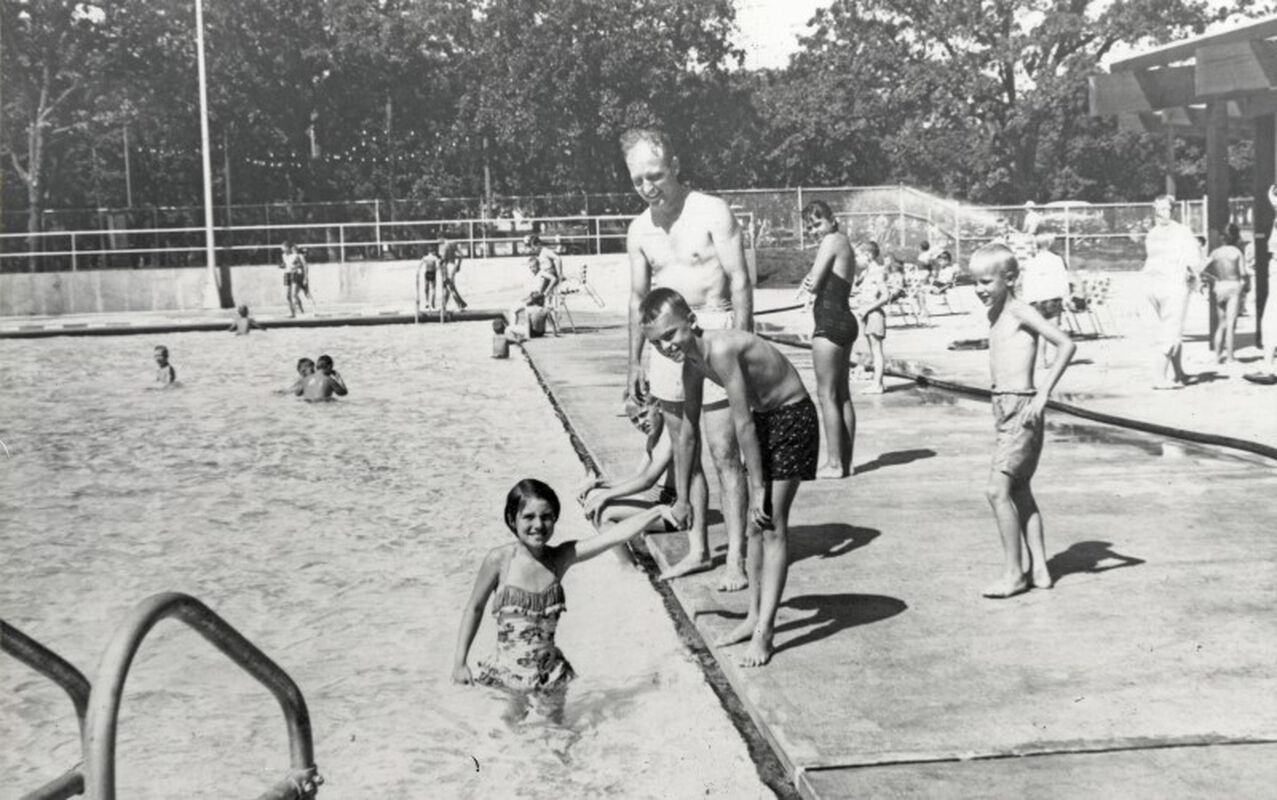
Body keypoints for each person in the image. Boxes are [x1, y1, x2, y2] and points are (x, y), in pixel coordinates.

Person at [641, 288, 818, 667]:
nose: (666, 346)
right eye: (656, 342)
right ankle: (754, 616)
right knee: (755, 529)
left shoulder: (720, 350)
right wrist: (683, 497)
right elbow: (688, 432)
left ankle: (765, 632)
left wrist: (756, 489)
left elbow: (741, 423)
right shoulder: (690, 365)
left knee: (770, 524)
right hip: (766, 420)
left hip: (792, 418)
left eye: (671, 335)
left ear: (691, 321)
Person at [622, 127, 752, 590]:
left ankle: (736, 556)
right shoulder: (640, 228)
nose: (648, 186)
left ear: (674, 164)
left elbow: (739, 280)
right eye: (638, 179)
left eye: (655, 174)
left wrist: (743, 344)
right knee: (684, 452)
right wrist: (634, 362)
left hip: (713, 331)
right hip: (664, 343)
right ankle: (698, 548)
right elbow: (638, 299)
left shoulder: (711, 210)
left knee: (724, 454)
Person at [452, 478, 675, 723]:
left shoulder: (559, 558)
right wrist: (460, 662)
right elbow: (474, 607)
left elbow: (610, 538)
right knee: (510, 730)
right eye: (528, 517)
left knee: (558, 733)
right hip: (509, 673)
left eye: (547, 516)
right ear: (512, 519)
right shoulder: (500, 561)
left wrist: (656, 511)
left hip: (551, 674)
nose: (538, 525)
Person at [968, 244, 1076, 599]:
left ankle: (1014, 574)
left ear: (1010, 278)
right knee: (1020, 490)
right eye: (975, 282)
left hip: (1022, 408)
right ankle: (1040, 569)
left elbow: (1065, 344)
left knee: (995, 490)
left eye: (986, 281)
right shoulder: (996, 313)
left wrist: (1043, 394)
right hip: (1003, 407)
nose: (980, 288)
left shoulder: (1019, 310)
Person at [578, 392, 711, 577]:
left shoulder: (669, 436)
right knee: (593, 496)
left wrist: (605, 495)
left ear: (658, 407)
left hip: (673, 511)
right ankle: (633, 552)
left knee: (603, 513)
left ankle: (629, 566)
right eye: (634, 420)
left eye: (643, 415)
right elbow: (637, 476)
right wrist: (599, 484)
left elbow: (648, 480)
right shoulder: (653, 437)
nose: (641, 423)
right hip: (658, 501)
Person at [797, 200, 858, 479]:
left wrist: (807, 281)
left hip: (829, 325)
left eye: (817, 223)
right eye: (809, 226)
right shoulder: (844, 242)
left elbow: (815, 281)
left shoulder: (832, 240)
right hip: (845, 320)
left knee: (826, 395)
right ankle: (845, 461)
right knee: (842, 395)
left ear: (833, 220)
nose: (814, 230)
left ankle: (834, 464)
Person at [1141, 194, 1203, 389]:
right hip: (1172, 286)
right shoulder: (1182, 232)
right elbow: (1194, 261)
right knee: (1171, 330)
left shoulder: (1152, 233)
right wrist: (1196, 278)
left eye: (1165, 209)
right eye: (1160, 209)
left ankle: (1179, 373)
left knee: (1172, 328)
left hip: (1153, 285)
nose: (1162, 213)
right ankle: (1159, 377)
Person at [1021, 233, 1072, 368]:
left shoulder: (1032, 261)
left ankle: (1041, 360)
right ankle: (1058, 360)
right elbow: (1062, 279)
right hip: (1052, 298)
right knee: (1055, 331)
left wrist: (1027, 299)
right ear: (1049, 244)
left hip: (1036, 299)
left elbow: (1027, 281)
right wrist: (1066, 296)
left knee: (1041, 332)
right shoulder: (1056, 259)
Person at [1202, 223, 1248, 365]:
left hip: (1220, 285)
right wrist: (1245, 285)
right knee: (1230, 323)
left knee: (1221, 324)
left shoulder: (1215, 253)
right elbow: (1243, 273)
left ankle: (1216, 356)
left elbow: (1203, 270)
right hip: (1233, 285)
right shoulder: (1237, 252)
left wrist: (1213, 279)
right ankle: (1230, 357)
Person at [855, 252, 890, 394]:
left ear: (868, 255)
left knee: (877, 352)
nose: (856, 259)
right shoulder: (867, 273)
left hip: (874, 314)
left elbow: (886, 296)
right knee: (872, 351)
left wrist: (867, 309)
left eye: (859, 255)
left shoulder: (877, 272)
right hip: (867, 314)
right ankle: (877, 382)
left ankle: (878, 385)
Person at [440, 233, 468, 313]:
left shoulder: (445, 246)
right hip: (453, 265)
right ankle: (443, 306)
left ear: (442, 237)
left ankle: (460, 304)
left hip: (447, 267)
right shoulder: (454, 244)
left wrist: (439, 263)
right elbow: (460, 255)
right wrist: (459, 264)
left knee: (450, 287)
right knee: (447, 288)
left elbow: (443, 259)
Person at [280, 243, 308, 318]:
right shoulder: (283, 255)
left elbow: (302, 265)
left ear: (288, 248)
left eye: (284, 248)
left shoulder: (295, 255)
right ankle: (292, 312)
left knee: (294, 294)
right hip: (287, 274)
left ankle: (299, 310)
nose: (282, 250)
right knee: (287, 295)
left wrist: (304, 277)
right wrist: (282, 266)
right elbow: (286, 264)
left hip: (294, 274)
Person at [417, 245, 441, 312]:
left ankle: (427, 301)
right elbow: (439, 265)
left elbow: (420, 265)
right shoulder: (434, 257)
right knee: (433, 288)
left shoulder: (425, 258)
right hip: (433, 273)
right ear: (433, 251)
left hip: (427, 273)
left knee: (426, 288)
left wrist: (418, 272)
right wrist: (436, 269)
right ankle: (432, 303)